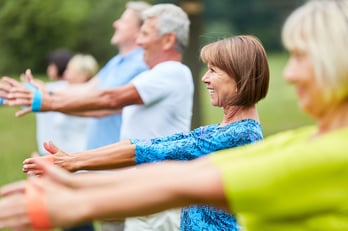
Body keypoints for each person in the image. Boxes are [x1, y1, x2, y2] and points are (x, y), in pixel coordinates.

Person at [1, 0, 348, 230]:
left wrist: (74, 190)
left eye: (303, 58)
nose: (288, 74)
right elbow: (160, 159)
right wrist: (73, 165)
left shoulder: (241, 135)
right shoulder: (290, 139)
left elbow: (168, 169)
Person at [22, 35, 269, 231]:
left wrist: (74, 163)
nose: (205, 78)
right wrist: (72, 161)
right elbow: (149, 144)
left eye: (214, 70)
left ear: (240, 77)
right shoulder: (219, 131)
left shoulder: (239, 135)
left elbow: (150, 151)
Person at [2, 3, 194, 231]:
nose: (139, 42)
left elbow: (110, 100)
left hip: (156, 189)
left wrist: (46, 101)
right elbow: (94, 93)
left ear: (168, 40)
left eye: (145, 34)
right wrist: (44, 95)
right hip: (139, 185)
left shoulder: (171, 72)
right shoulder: (155, 73)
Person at [36, 54, 99, 156]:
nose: (65, 73)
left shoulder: (91, 94)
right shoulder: (63, 88)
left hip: (79, 154)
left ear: (84, 75)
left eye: (70, 71)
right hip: (64, 154)